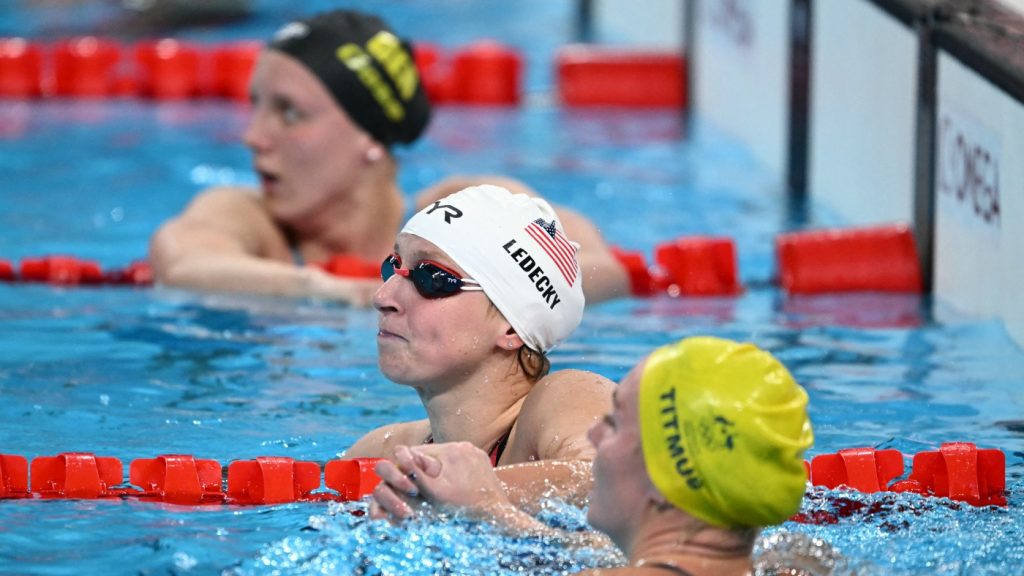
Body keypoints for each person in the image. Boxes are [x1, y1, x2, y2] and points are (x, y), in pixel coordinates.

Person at [148, 9, 630, 306]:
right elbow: (182, 264)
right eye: (256, 107)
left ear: (369, 135)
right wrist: (330, 292)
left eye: (289, 113)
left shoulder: (462, 210)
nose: (253, 137)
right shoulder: (250, 221)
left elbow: (601, 272)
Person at [370, 336, 814, 576]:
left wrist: (487, 510)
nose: (596, 434)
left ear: (667, 479)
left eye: (616, 423)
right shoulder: (795, 563)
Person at [345, 184, 616, 507]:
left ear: (512, 327)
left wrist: (463, 494)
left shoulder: (567, 397)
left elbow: (613, 479)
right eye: (393, 265)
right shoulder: (384, 452)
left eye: (431, 278)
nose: (382, 298)